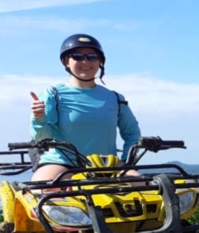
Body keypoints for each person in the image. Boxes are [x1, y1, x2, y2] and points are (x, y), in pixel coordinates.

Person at [29, 33, 141, 182]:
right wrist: (39, 118)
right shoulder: (53, 94)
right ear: (66, 61)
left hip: (107, 164)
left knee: (147, 188)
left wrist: (127, 161)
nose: (85, 61)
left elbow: (132, 133)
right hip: (62, 163)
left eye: (92, 57)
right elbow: (43, 138)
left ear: (100, 61)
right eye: (77, 56)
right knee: (43, 188)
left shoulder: (115, 98)